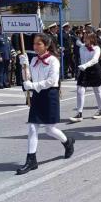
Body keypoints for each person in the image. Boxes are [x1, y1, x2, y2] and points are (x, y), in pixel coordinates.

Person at [16, 33, 75, 175]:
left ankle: (68, 142)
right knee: (32, 127)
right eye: (34, 44)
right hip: (37, 95)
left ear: (46, 45)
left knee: (49, 129)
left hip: (49, 95)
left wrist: (32, 85)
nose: (35, 47)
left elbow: (51, 81)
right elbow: (27, 79)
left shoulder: (54, 60)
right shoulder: (34, 60)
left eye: (38, 44)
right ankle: (31, 160)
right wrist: (23, 66)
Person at [69, 33, 101, 122]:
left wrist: (85, 65)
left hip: (93, 69)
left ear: (92, 39)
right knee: (80, 90)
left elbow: (95, 60)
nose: (84, 39)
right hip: (84, 70)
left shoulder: (97, 48)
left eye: (86, 38)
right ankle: (79, 113)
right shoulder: (82, 47)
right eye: (84, 37)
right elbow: (79, 45)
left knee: (97, 90)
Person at [0, 24, 14, 89]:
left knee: (6, 70)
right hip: (1, 56)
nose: (2, 29)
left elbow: (10, 46)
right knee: (0, 70)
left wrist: (12, 55)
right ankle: (0, 83)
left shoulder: (6, 36)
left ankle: (5, 82)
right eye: (1, 27)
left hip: (7, 56)